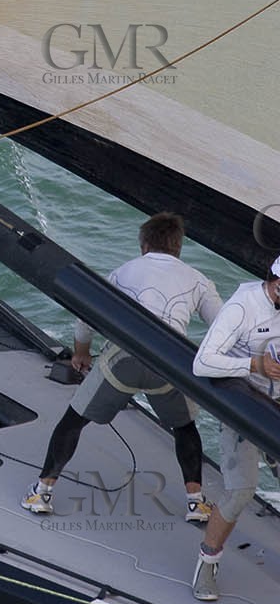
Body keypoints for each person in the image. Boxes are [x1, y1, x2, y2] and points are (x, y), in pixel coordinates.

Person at [19, 212, 222, 524]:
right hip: (169, 365)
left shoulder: (122, 272)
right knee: (184, 428)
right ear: (178, 247)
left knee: (73, 421)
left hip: (122, 363)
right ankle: (196, 502)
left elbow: (85, 318)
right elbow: (221, 328)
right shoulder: (198, 279)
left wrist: (82, 354)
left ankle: (41, 491)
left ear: (143, 244)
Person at [189, 258, 280, 601]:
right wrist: (253, 364)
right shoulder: (243, 307)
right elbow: (203, 362)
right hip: (245, 407)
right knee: (241, 490)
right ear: (273, 281)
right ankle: (207, 565)